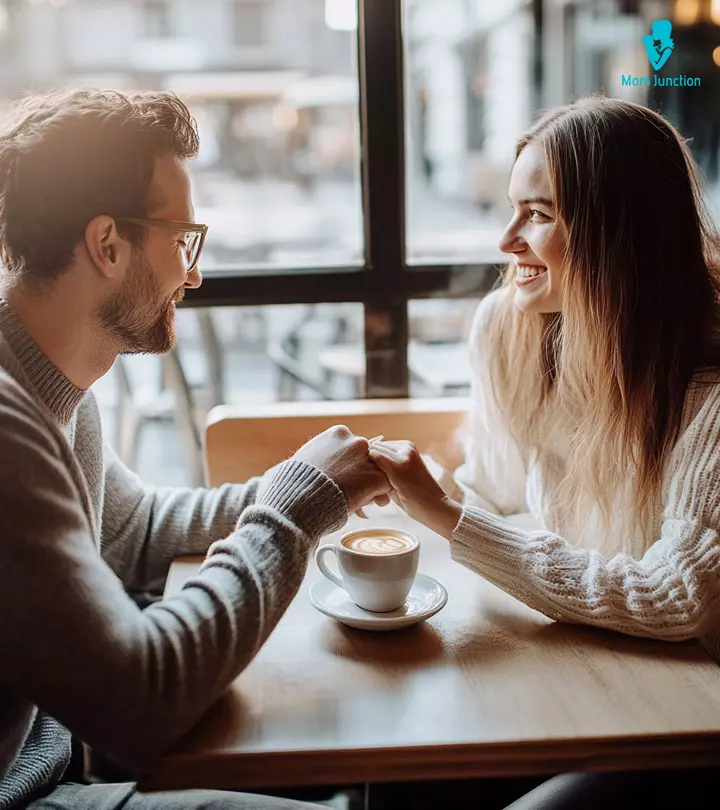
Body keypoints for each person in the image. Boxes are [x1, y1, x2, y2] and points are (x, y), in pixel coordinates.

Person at [0, 88, 391, 810]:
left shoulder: (54, 383)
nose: (195, 273)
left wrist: (305, 485)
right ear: (107, 245)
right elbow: (140, 701)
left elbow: (132, 527)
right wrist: (293, 512)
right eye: (184, 241)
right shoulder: (7, 426)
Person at [368, 96, 720, 808]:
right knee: (402, 779)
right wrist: (414, 486)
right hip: (580, 667)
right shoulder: (511, 330)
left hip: (692, 715)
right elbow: (493, 491)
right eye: (511, 207)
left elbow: (679, 599)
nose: (505, 241)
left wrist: (444, 513)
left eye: (539, 213)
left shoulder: (707, 387)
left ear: (619, 232)